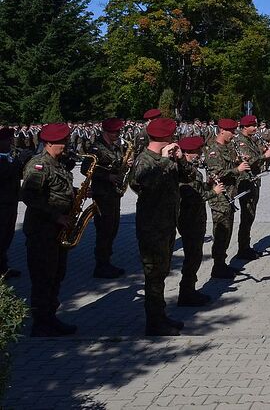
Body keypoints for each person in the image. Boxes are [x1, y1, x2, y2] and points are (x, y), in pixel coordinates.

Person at [131, 117, 190, 336]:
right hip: (151, 228)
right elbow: (141, 185)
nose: (174, 138)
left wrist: (181, 160)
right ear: (164, 137)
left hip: (166, 224)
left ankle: (161, 315)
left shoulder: (169, 157)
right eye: (172, 135)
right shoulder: (144, 160)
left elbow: (189, 177)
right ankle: (153, 323)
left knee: (161, 273)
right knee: (153, 275)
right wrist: (164, 162)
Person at [21, 123, 77, 337]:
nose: (65, 145)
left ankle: (50, 317)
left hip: (56, 232)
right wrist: (56, 216)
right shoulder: (39, 165)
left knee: (56, 275)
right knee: (43, 278)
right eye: (62, 142)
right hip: (42, 231)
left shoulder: (58, 163)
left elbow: (57, 188)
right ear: (49, 143)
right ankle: (41, 323)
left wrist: (76, 193)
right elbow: (29, 196)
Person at [176, 135, 224, 306]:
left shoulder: (191, 169)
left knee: (194, 256)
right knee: (192, 257)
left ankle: (189, 290)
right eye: (197, 151)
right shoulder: (182, 172)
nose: (200, 154)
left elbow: (197, 189)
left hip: (195, 219)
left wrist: (208, 184)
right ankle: (186, 293)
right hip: (189, 220)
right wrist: (214, 192)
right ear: (188, 153)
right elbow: (193, 197)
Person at [82, 118, 128, 279]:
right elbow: (85, 168)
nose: (118, 134)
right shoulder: (96, 147)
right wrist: (107, 176)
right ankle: (101, 265)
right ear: (106, 132)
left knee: (113, 228)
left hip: (113, 193)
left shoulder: (114, 146)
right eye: (115, 132)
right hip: (102, 194)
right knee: (104, 230)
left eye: (119, 131)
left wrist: (126, 164)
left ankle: (106, 261)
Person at [205, 119, 250, 279]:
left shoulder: (228, 147)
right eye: (231, 131)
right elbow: (215, 173)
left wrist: (239, 160)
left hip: (230, 195)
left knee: (227, 230)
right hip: (219, 198)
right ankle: (218, 267)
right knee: (220, 232)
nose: (234, 134)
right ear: (222, 130)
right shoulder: (213, 150)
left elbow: (229, 163)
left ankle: (222, 264)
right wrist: (237, 170)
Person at [232, 115, 270, 260]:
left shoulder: (250, 139)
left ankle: (245, 247)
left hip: (254, 181)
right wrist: (265, 155)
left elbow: (256, 156)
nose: (256, 128)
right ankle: (243, 249)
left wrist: (265, 151)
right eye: (253, 126)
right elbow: (249, 161)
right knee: (247, 215)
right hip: (245, 182)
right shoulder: (240, 141)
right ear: (245, 127)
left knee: (250, 215)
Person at [0, 127, 24, 278]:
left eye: (11, 139)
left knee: (7, 235)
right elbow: (4, 174)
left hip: (11, 202)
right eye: (7, 140)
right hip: (1, 204)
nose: (11, 142)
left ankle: (3, 266)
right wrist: (18, 163)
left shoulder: (10, 156)